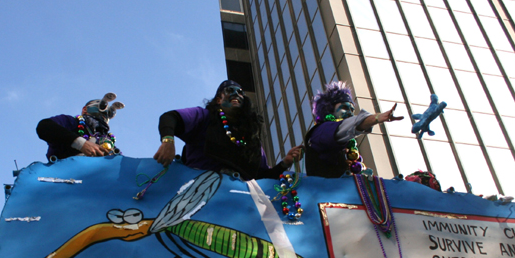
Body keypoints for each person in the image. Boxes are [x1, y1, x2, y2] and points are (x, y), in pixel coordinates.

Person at [154, 80, 302, 180]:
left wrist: (285, 163)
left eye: (240, 92)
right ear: (219, 99)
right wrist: (168, 141)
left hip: (237, 206)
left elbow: (262, 177)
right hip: (198, 192)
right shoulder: (204, 117)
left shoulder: (251, 140)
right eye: (230, 90)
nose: (236, 94)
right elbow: (170, 117)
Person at [304, 81, 403, 178]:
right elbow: (346, 127)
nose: (350, 113)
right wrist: (376, 118)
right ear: (329, 110)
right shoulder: (322, 130)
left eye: (352, 110)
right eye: (344, 108)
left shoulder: (345, 139)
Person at [36, 94, 124, 161]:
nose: (104, 114)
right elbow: (45, 126)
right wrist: (80, 143)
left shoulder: (107, 138)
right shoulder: (72, 122)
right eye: (101, 107)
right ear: (85, 109)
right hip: (67, 175)